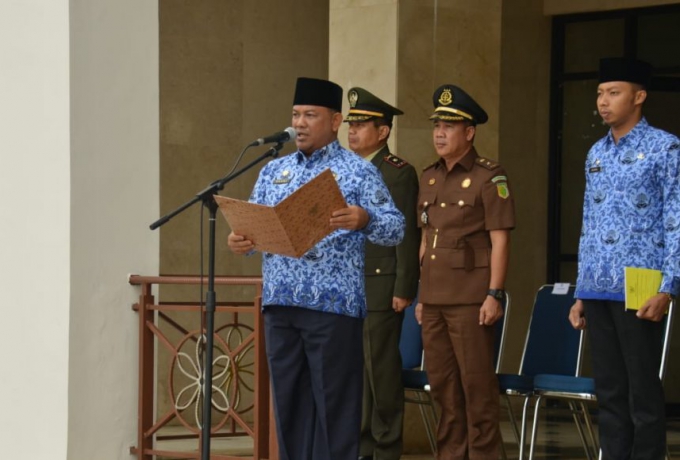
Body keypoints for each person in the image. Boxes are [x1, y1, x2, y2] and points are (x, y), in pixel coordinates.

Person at [227, 77, 405, 460]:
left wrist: (364, 218)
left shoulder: (357, 171)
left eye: (311, 115)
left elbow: (396, 228)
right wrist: (240, 242)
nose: (301, 123)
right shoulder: (272, 171)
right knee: (289, 407)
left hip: (333, 308)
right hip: (281, 303)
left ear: (336, 120)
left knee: (334, 409)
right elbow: (253, 228)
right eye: (296, 115)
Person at [569, 57, 680, 460]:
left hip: (642, 281)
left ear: (639, 96)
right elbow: (588, 223)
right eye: (600, 93)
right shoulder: (595, 152)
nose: (603, 101)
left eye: (613, 93)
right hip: (597, 284)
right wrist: (581, 290)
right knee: (610, 391)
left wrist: (669, 285)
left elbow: (677, 219)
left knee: (642, 390)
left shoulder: (665, 147)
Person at [415, 84, 515, 459]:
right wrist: (422, 296)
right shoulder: (429, 176)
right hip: (435, 300)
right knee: (443, 388)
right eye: (436, 125)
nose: (439, 133)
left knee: (476, 388)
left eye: (449, 126)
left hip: (471, 300)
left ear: (469, 132)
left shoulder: (491, 177)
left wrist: (494, 293)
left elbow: (500, 240)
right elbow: (427, 240)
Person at [344, 87, 420, 460]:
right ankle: (361, 448)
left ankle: (386, 447)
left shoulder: (396, 173)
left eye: (362, 125)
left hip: (380, 282)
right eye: (350, 124)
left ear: (383, 131)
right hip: (346, 286)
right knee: (355, 373)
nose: (353, 131)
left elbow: (406, 233)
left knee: (381, 372)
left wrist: (405, 285)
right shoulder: (343, 168)